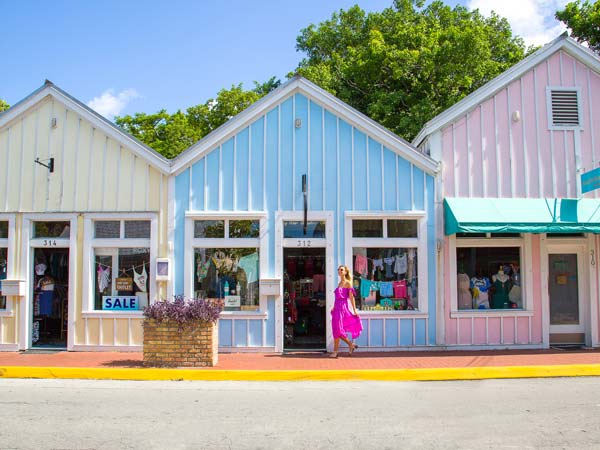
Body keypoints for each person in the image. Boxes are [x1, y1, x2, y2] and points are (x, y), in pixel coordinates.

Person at [330, 265, 363, 358]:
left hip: (342, 308)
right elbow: (337, 297)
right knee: (336, 329)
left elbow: (351, 298)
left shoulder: (348, 283)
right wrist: (333, 306)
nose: (339, 271)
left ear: (345, 272)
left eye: (341, 270)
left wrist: (354, 309)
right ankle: (348, 345)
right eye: (338, 270)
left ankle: (337, 351)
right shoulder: (339, 283)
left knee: (338, 329)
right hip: (337, 308)